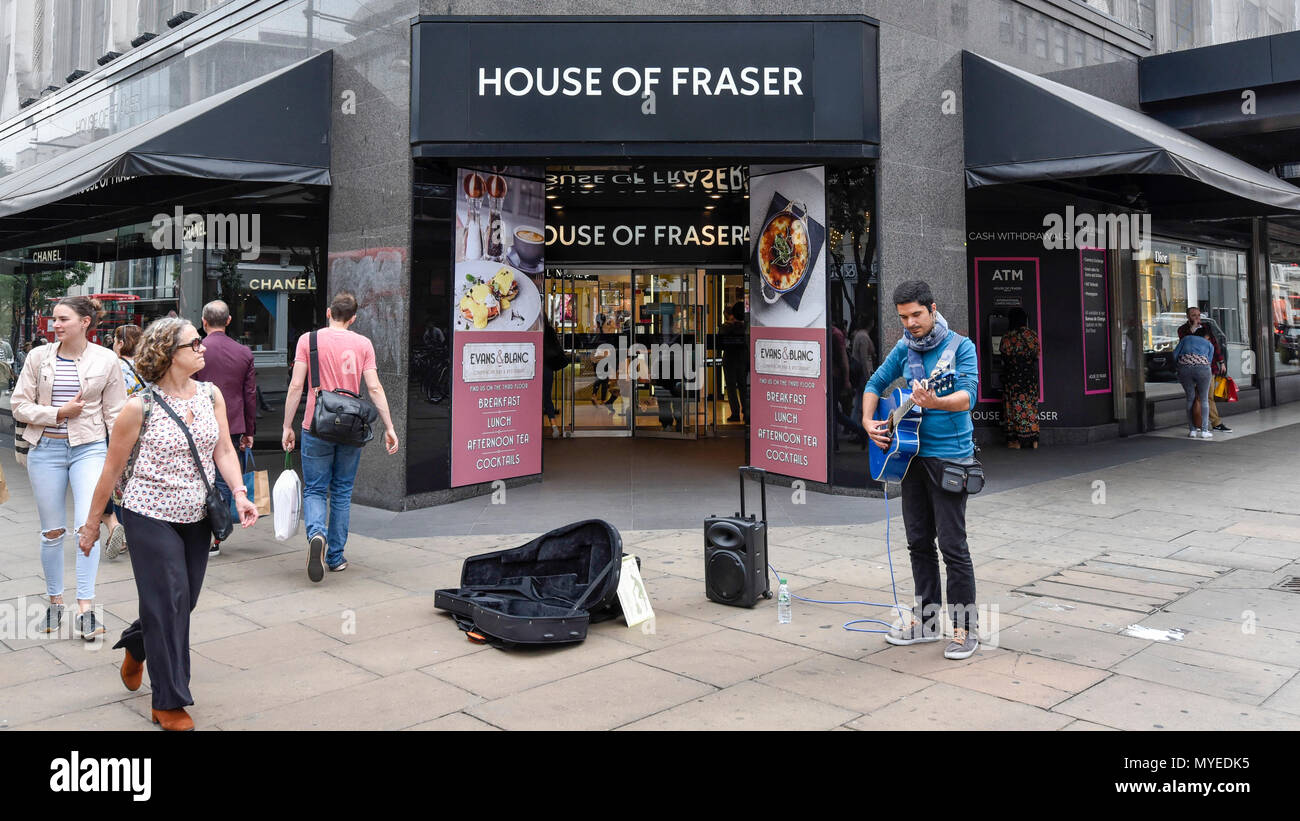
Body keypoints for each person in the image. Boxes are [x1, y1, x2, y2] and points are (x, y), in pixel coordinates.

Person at [78, 318, 258, 731]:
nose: (203, 348)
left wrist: (241, 493)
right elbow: (110, 472)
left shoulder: (211, 395)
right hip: (148, 514)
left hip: (196, 516)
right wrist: (91, 526)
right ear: (168, 354)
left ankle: (138, 645)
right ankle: (168, 701)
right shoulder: (138, 407)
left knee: (182, 602)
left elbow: (225, 450)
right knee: (170, 601)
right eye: (194, 343)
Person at [862, 280, 980, 660]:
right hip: (910, 457)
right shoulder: (904, 348)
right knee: (917, 541)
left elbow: (968, 396)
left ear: (932, 308)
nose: (910, 323)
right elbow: (875, 383)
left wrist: (936, 401)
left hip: (950, 458)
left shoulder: (961, 347)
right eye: (903, 317)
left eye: (916, 315)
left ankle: (966, 630)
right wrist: (868, 420)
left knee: (952, 545)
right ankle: (927, 621)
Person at [11, 297, 126, 640]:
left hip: (89, 449)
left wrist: (119, 462)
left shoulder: (106, 360)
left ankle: (86, 609)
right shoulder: (38, 357)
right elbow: (19, 405)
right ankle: (55, 601)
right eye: (54, 319)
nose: (55, 324)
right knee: (51, 532)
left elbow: (116, 414)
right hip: (45, 449)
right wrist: (58, 414)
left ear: (85, 322)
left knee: (85, 527)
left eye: (63, 319)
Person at [282, 292, 399, 582]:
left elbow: (297, 385)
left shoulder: (308, 341)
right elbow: (374, 389)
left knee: (315, 490)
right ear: (354, 318)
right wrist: (389, 426)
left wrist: (287, 425)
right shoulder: (363, 344)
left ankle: (316, 535)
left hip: (316, 424)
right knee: (343, 491)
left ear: (327, 312)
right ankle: (335, 557)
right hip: (349, 426)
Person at [194, 300, 258, 558]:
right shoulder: (244, 352)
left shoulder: (196, 350)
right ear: (229, 320)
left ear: (204, 321)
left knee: (198, 474)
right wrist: (249, 430)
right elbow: (250, 394)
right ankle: (216, 534)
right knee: (223, 477)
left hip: (196, 421)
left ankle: (197, 528)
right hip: (231, 422)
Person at [102, 324, 146, 560]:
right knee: (138, 480)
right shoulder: (149, 366)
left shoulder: (114, 366)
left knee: (117, 482)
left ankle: (118, 528)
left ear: (119, 342)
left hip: (119, 430)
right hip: (145, 431)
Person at [1177, 307, 1231, 433]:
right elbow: (1186, 343)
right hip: (1189, 368)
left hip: (1207, 367)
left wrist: (1221, 361)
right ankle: (1195, 424)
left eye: (1198, 315)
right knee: (1193, 398)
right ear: (1188, 317)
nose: (1197, 318)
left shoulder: (1206, 328)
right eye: (1193, 315)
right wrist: (1193, 329)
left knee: (1207, 396)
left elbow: (1213, 345)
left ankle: (1215, 423)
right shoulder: (1183, 330)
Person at [997, 306, 1041, 449]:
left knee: (1014, 407)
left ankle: (1015, 441)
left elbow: (1003, 354)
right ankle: (1034, 440)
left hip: (1013, 377)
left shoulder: (1008, 337)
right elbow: (1037, 354)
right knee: (1030, 406)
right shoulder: (1032, 335)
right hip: (1029, 377)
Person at [1174, 325, 1216, 439]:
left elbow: (1174, 355)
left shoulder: (1186, 339)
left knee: (1190, 398)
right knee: (1203, 399)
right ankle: (1204, 431)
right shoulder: (1209, 344)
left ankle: (1192, 430)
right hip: (1203, 369)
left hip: (1185, 369)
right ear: (1206, 336)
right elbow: (1209, 361)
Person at [718, 302, 747, 423]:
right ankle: (746, 411)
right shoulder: (744, 327)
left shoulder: (726, 327)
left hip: (730, 359)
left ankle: (735, 413)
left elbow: (720, 342)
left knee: (731, 388)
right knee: (743, 387)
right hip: (742, 359)